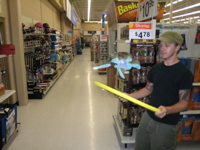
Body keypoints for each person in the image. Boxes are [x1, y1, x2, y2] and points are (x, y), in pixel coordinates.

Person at [119, 31, 194, 150]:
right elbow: (148, 89)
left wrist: (167, 110)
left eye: (167, 46)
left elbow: (184, 103)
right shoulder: (156, 68)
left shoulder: (184, 73)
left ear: (177, 47)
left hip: (166, 123)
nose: (162, 49)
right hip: (147, 116)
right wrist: (130, 96)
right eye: (161, 45)